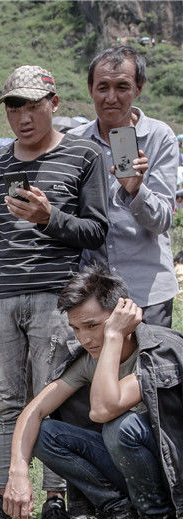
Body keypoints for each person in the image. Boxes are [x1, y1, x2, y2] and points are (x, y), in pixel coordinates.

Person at [0, 65, 109, 519]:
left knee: (51, 399)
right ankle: (4, 504)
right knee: (4, 401)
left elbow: (97, 228)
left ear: (54, 103)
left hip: (55, 297)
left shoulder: (84, 155)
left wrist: (50, 218)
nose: (22, 117)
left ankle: (54, 504)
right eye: (13, 107)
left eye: (31, 105)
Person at [2, 267, 181, 519]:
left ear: (123, 315)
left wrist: (112, 337)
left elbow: (103, 409)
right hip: (133, 468)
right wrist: (18, 472)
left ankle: (160, 518)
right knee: (45, 432)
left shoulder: (160, 351)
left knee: (122, 427)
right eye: (76, 328)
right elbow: (33, 411)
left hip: (173, 473)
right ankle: (124, 511)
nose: (83, 338)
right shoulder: (88, 358)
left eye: (92, 325)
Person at [68, 46, 180, 327]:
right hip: (93, 293)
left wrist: (136, 189)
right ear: (90, 89)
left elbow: (162, 220)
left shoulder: (159, 137)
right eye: (102, 87)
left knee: (149, 370)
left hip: (147, 289)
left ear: (138, 89)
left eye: (122, 87)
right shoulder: (74, 142)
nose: (111, 98)